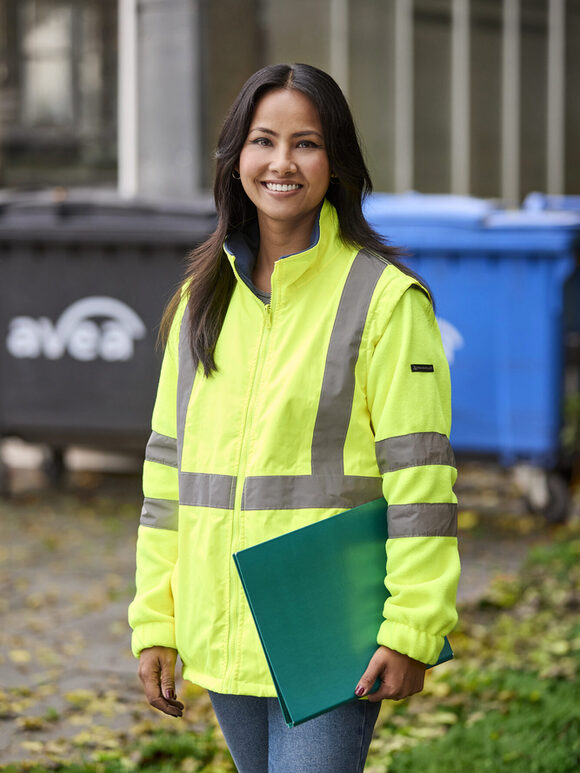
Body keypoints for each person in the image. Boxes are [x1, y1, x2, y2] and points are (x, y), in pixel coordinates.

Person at [128, 63, 460, 773]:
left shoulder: (386, 301)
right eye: (263, 140)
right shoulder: (200, 301)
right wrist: (156, 620)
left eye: (305, 143)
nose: (281, 162)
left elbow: (422, 485)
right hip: (223, 627)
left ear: (336, 163)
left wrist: (413, 625)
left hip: (329, 631)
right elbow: (166, 480)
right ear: (235, 158)